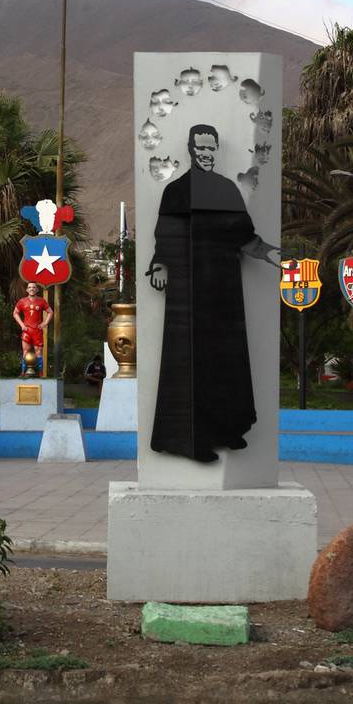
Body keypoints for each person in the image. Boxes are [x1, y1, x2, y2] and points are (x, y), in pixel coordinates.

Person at [147, 123, 280, 462]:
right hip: (189, 291)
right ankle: (190, 441)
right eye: (200, 148)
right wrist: (161, 265)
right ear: (191, 148)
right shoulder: (177, 191)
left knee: (227, 359)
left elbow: (245, 237)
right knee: (191, 362)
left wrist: (271, 254)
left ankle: (227, 429)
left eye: (211, 149)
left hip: (223, 290)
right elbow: (165, 234)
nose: (206, 154)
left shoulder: (226, 190)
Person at [12, 282, 52, 378]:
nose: (32, 289)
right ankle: (22, 372)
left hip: (37, 330)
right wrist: (21, 324)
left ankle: (41, 373)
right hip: (27, 330)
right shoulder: (22, 301)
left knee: (38, 351)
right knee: (25, 351)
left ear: (37, 289)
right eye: (29, 287)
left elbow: (50, 312)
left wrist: (45, 323)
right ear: (27, 290)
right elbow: (15, 313)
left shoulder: (42, 301)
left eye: (34, 287)